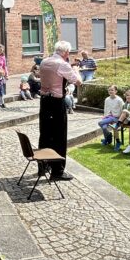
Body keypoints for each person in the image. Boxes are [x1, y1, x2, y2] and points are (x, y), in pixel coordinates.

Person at [37, 40, 80, 180]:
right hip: (56, 102)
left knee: (45, 133)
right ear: (66, 52)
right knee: (59, 136)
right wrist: (76, 69)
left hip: (44, 101)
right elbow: (78, 81)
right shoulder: (63, 64)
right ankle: (57, 171)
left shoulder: (44, 62)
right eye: (68, 52)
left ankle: (42, 166)